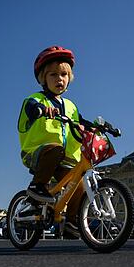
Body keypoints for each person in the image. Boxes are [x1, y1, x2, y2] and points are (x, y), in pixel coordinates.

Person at [18, 46, 97, 235]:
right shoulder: (35, 98)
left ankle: (72, 222)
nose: (59, 79)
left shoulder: (70, 106)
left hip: (63, 158)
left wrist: (95, 127)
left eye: (63, 74)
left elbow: (81, 122)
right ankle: (36, 188)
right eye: (53, 75)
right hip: (37, 152)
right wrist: (40, 110)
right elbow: (31, 108)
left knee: (79, 184)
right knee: (55, 149)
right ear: (42, 78)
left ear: (69, 78)